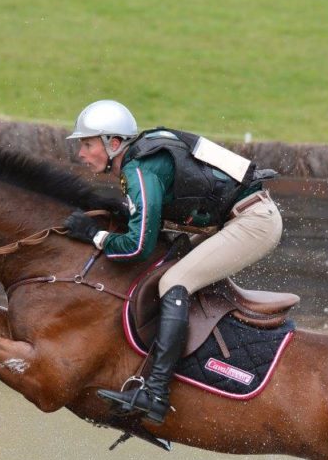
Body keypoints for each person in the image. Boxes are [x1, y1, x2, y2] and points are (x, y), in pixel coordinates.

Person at [63, 100, 283, 423]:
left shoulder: (138, 168)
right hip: (239, 218)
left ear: (113, 143)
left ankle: (155, 392)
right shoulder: (142, 158)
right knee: (167, 266)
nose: (80, 153)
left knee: (173, 281)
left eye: (87, 144)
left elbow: (137, 246)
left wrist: (94, 236)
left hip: (253, 222)